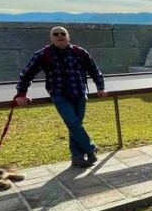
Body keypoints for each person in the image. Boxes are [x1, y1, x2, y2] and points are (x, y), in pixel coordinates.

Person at [14, 26, 106, 168]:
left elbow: (94, 70)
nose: (59, 36)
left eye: (63, 34)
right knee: (72, 122)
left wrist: (100, 87)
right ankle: (90, 148)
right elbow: (27, 74)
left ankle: (77, 157)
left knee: (75, 125)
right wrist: (21, 94)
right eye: (55, 34)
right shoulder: (43, 54)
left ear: (68, 37)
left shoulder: (80, 52)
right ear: (51, 38)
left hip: (80, 92)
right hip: (59, 94)